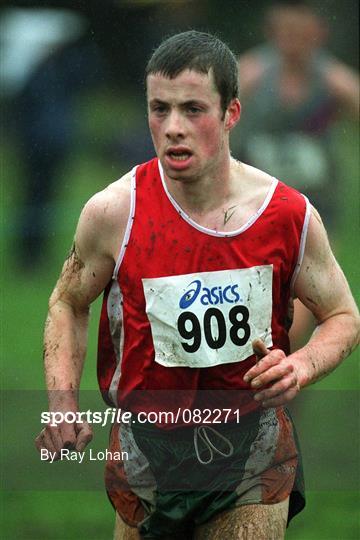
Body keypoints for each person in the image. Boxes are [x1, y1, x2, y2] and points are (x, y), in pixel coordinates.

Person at [35, 31, 359, 539]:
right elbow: (67, 302)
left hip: (251, 451)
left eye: (192, 109)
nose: (172, 128)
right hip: (147, 454)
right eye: (158, 109)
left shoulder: (287, 215)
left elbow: (343, 315)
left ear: (231, 113)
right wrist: (61, 405)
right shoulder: (113, 212)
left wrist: (299, 366)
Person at [234, 3, 359, 348]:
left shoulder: (336, 84)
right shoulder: (249, 77)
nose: (293, 44)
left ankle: (285, 387)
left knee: (298, 321)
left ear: (319, 34)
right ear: (272, 32)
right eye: (285, 34)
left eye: (301, 35)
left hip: (315, 213)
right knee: (257, 313)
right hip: (255, 211)